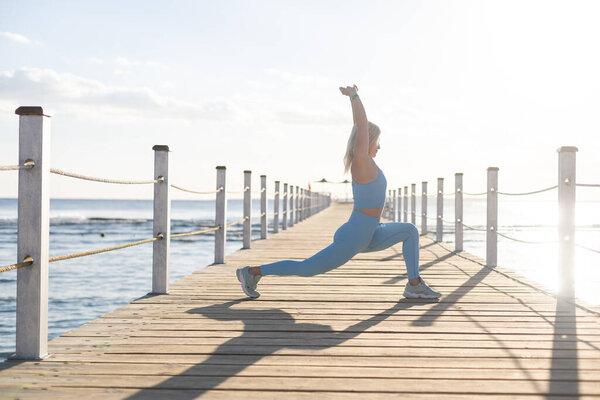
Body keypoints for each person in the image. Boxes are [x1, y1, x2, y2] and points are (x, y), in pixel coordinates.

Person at [236, 85, 441, 300]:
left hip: (371, 231)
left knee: (409, 230)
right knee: (308, 268)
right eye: (377, 141)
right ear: (368, 140)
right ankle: (251, 272)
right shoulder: (360, 161)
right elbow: (360, 125)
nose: (379, 146)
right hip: (355, 234)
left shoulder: (369, 163)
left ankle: (414, 284)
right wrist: (354, 96)